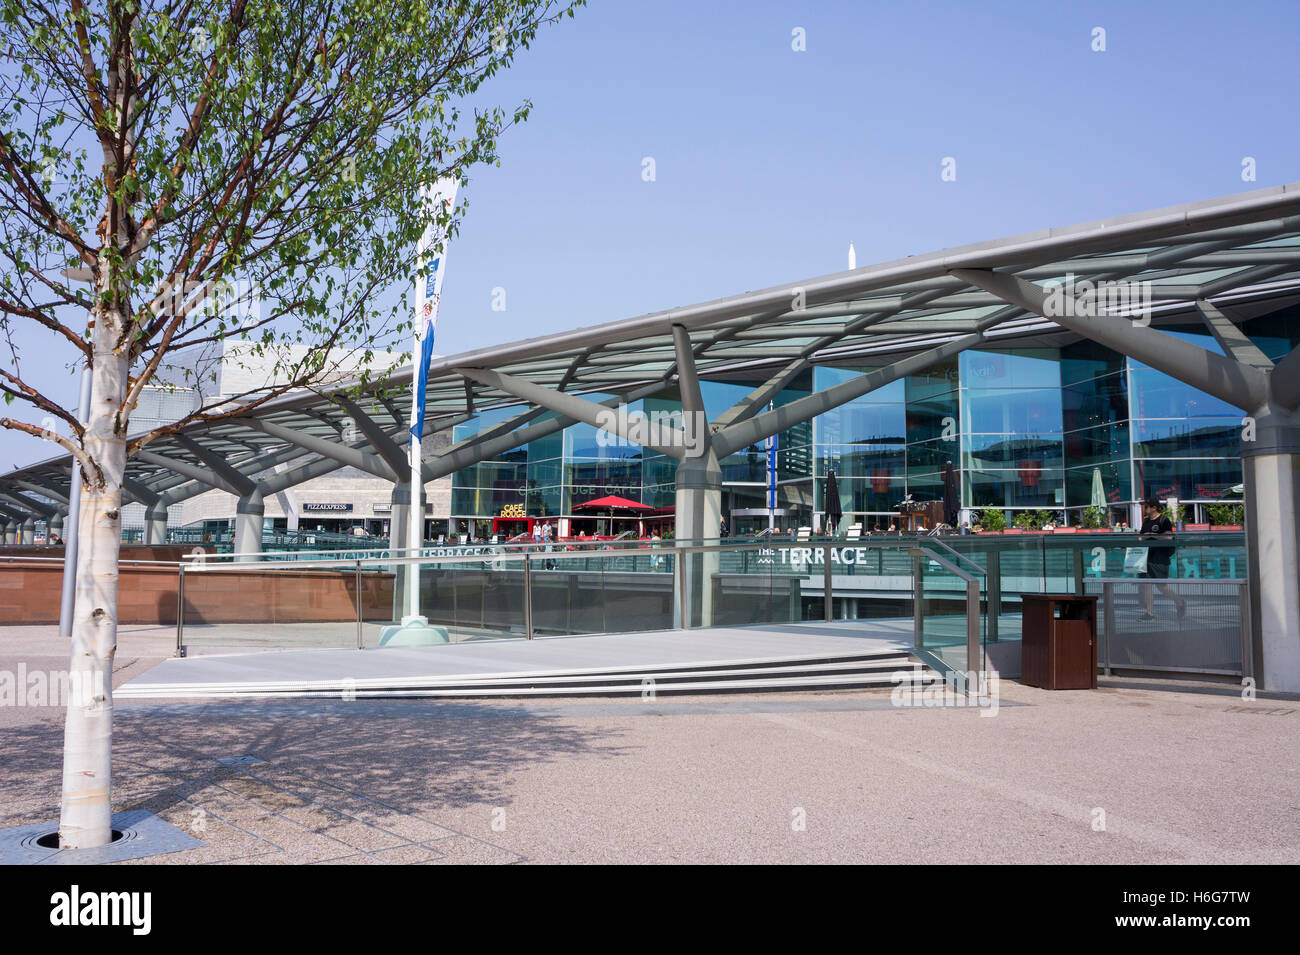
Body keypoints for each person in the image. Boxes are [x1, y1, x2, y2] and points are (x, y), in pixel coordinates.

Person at [1138, 497, 1186, 622]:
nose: (1144, 509)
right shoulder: (1146, 521)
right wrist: (1142, 537)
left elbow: (1169, 537)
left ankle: (1179, 601)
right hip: (1147, 557)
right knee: (1147, 584)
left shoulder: (1164, 520)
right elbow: (1140, 537)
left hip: (1160, 558)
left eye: (1146, 506)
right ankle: (1149, 613)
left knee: (1161, 586)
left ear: (1154, 508)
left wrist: (1153, 535)